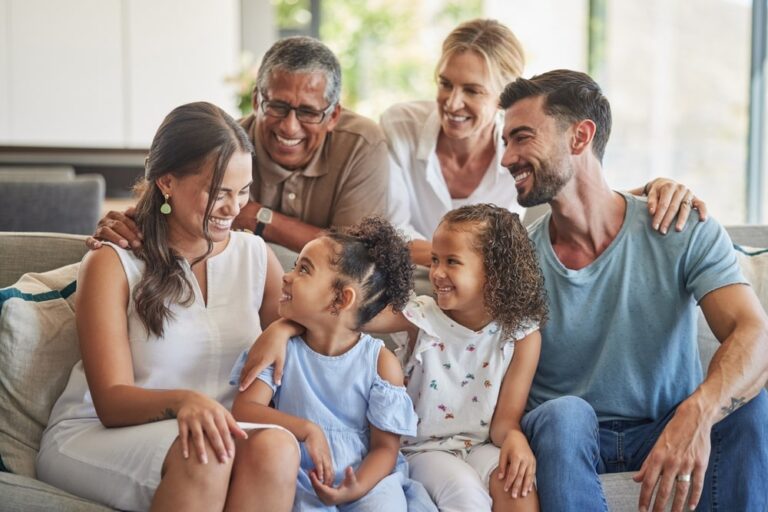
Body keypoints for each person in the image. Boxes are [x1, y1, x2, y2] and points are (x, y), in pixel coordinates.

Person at [498, 70, 768, 512]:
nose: (507, 158)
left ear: (580, 137)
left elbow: (754, 333)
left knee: (750, 409)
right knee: (566, 414)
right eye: (505, 142)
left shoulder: (680, 227)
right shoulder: (519, 257)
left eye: (521, 138)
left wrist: (697, 413)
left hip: (662, 425)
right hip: (569, 436)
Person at [36, 102, 299, 512]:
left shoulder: (256, 257)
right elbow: (110, 402)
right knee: (208, 452)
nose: (234, 208)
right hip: (98, 433)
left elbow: (303, 339)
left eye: (243, 192)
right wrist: (184, 401)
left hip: (215, 434)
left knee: (278, 448)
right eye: (218, 193)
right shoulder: (113, 262)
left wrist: (283, 329)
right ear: (167, 182)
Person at [242, 204, 549, 512]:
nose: (436, 273)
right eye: (434, 260)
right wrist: (281, 329)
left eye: (452, 262)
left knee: (517, 485)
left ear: (495, 272)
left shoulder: (522, 335)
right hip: (425, 449)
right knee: (466, 495)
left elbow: (504, 422)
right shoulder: (421, 315)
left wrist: (515, 439)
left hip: (480, 445)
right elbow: (345, 315)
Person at [381, 18, 706, 267]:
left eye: (472, 90)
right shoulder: (400, 126)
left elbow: (572, 194)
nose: (452, 103)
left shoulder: (521, 153)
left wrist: (653, 189)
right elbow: (389, 235)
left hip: (482, 295)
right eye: (445, 84)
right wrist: (462, 258)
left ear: (502, 97)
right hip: (413, 283)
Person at [91, 36, 389, 254]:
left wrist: (262, 219)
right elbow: (166, 207)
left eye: (308, 112)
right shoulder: (228, 145)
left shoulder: (362, 143)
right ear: (257, 100)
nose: (289, 126)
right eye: (277, 106)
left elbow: (357, 255)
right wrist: (126, 225)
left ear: (333, 114)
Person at [228, 217, 436, 511]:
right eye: (294, 266)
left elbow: (385, 449)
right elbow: (244, 410)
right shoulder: (279, 348)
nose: (286, 277)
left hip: (364, 478)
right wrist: (307, 429)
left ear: (340, 299)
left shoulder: (381, 364)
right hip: (299, 472)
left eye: (303, 270)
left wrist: (356, 488)